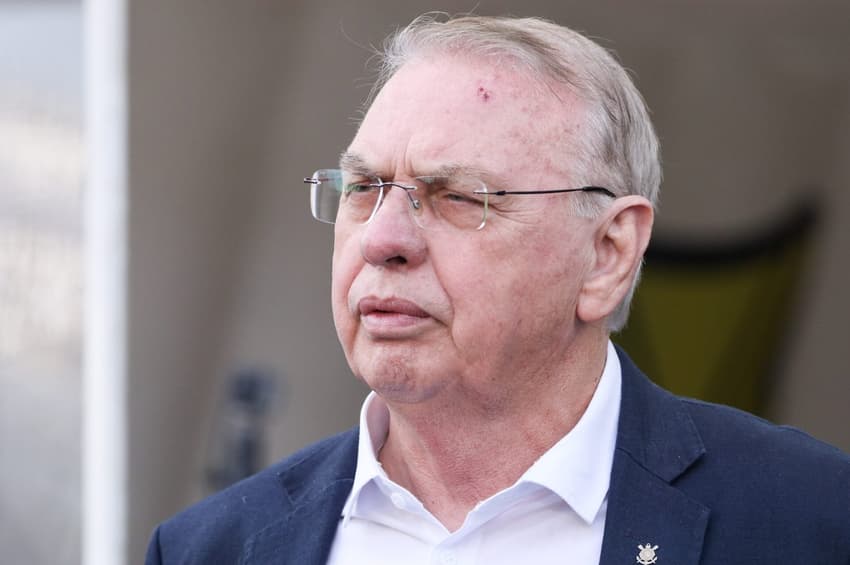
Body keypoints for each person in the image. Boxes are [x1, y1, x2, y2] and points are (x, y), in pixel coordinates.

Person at [145, 14, 850, 565]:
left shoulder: (810, 518)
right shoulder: (211, 546)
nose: (382, 239)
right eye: (364, 188)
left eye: (455, 195)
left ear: (607, 254)